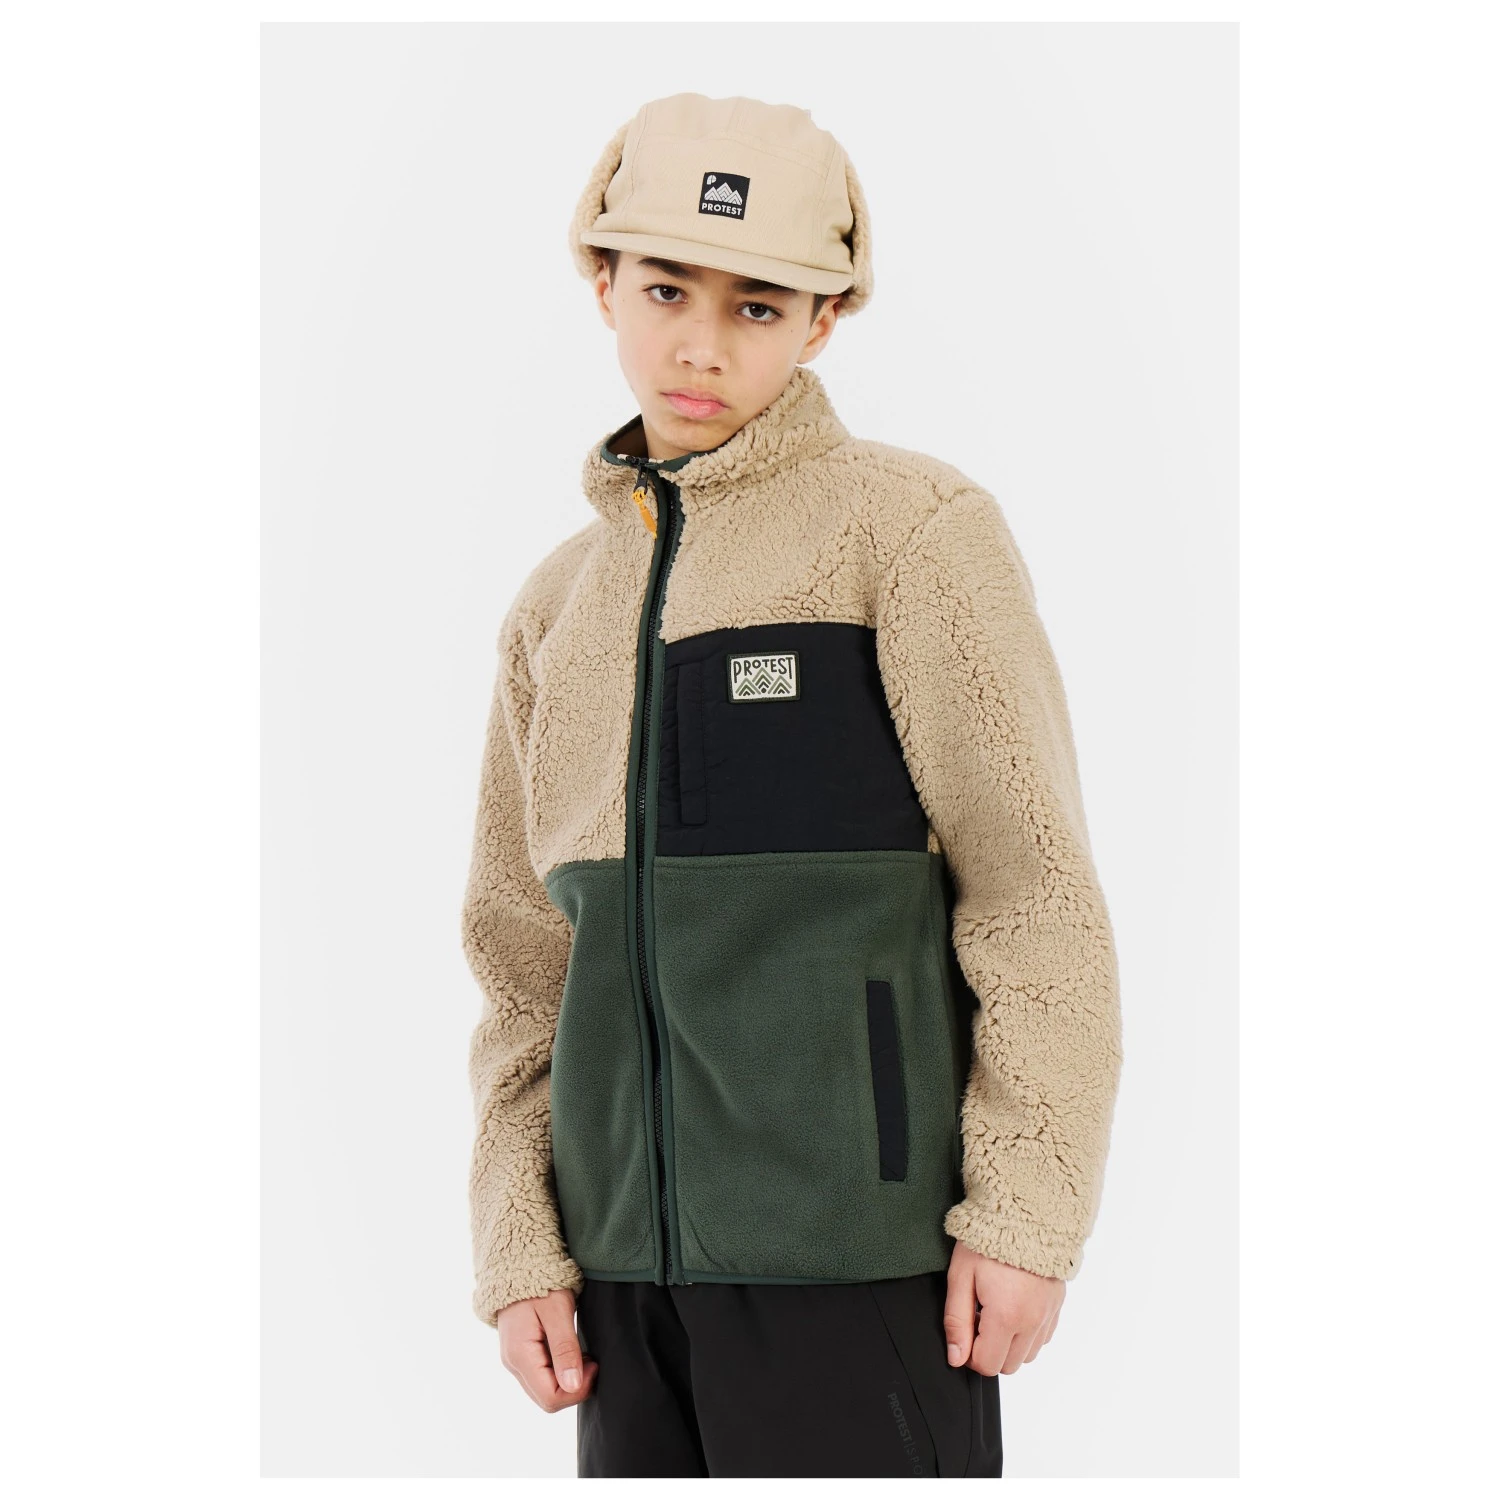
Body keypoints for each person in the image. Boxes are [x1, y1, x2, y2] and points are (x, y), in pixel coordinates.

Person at [460, 92, 1123, 1478]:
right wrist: (519, 1243)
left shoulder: (910, 534)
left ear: (825, 320)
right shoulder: (556, 610)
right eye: (665, 290)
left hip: (864, 1265)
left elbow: (1033, 895)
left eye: (757, 307)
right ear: (601, 281)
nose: (701, 345)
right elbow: (524, 967)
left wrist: (1026, 1214)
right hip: (618, 1289)